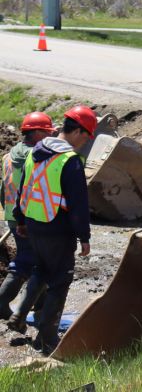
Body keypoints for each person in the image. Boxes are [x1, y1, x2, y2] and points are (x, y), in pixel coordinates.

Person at [13, 104, 96, 355]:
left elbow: (23, 190)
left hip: (34, 225)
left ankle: (18, 314)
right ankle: (47, 339)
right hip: (58, 230)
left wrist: (20, 221)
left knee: (41, 270)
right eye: (86, 137)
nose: (84, 143)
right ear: (79, 132)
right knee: (60, 281)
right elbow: (79, 203)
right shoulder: (69, 161)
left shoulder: (35, 152)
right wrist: (84, 236)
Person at [0, 113, 56, 319]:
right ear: (37, 132)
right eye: (47, 132)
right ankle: (2, 302)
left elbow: (2, 188)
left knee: (38, 261)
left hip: (13, 215)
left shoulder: (9, 155)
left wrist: (10, 214)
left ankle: (38, 305)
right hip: (31, 216)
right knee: (27, 260)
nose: (49, 136)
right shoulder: (38, 158)